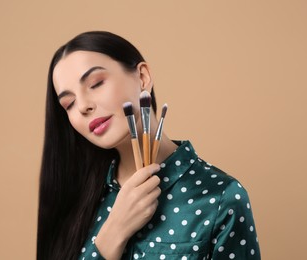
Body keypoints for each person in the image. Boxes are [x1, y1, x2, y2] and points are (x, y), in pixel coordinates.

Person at [37, 31, 261, 260]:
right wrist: (110, 236)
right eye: (69, 103)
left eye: (96, 84)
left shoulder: (221, 197)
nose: (83, 106)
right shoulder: (76, 197)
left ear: (142, 77)